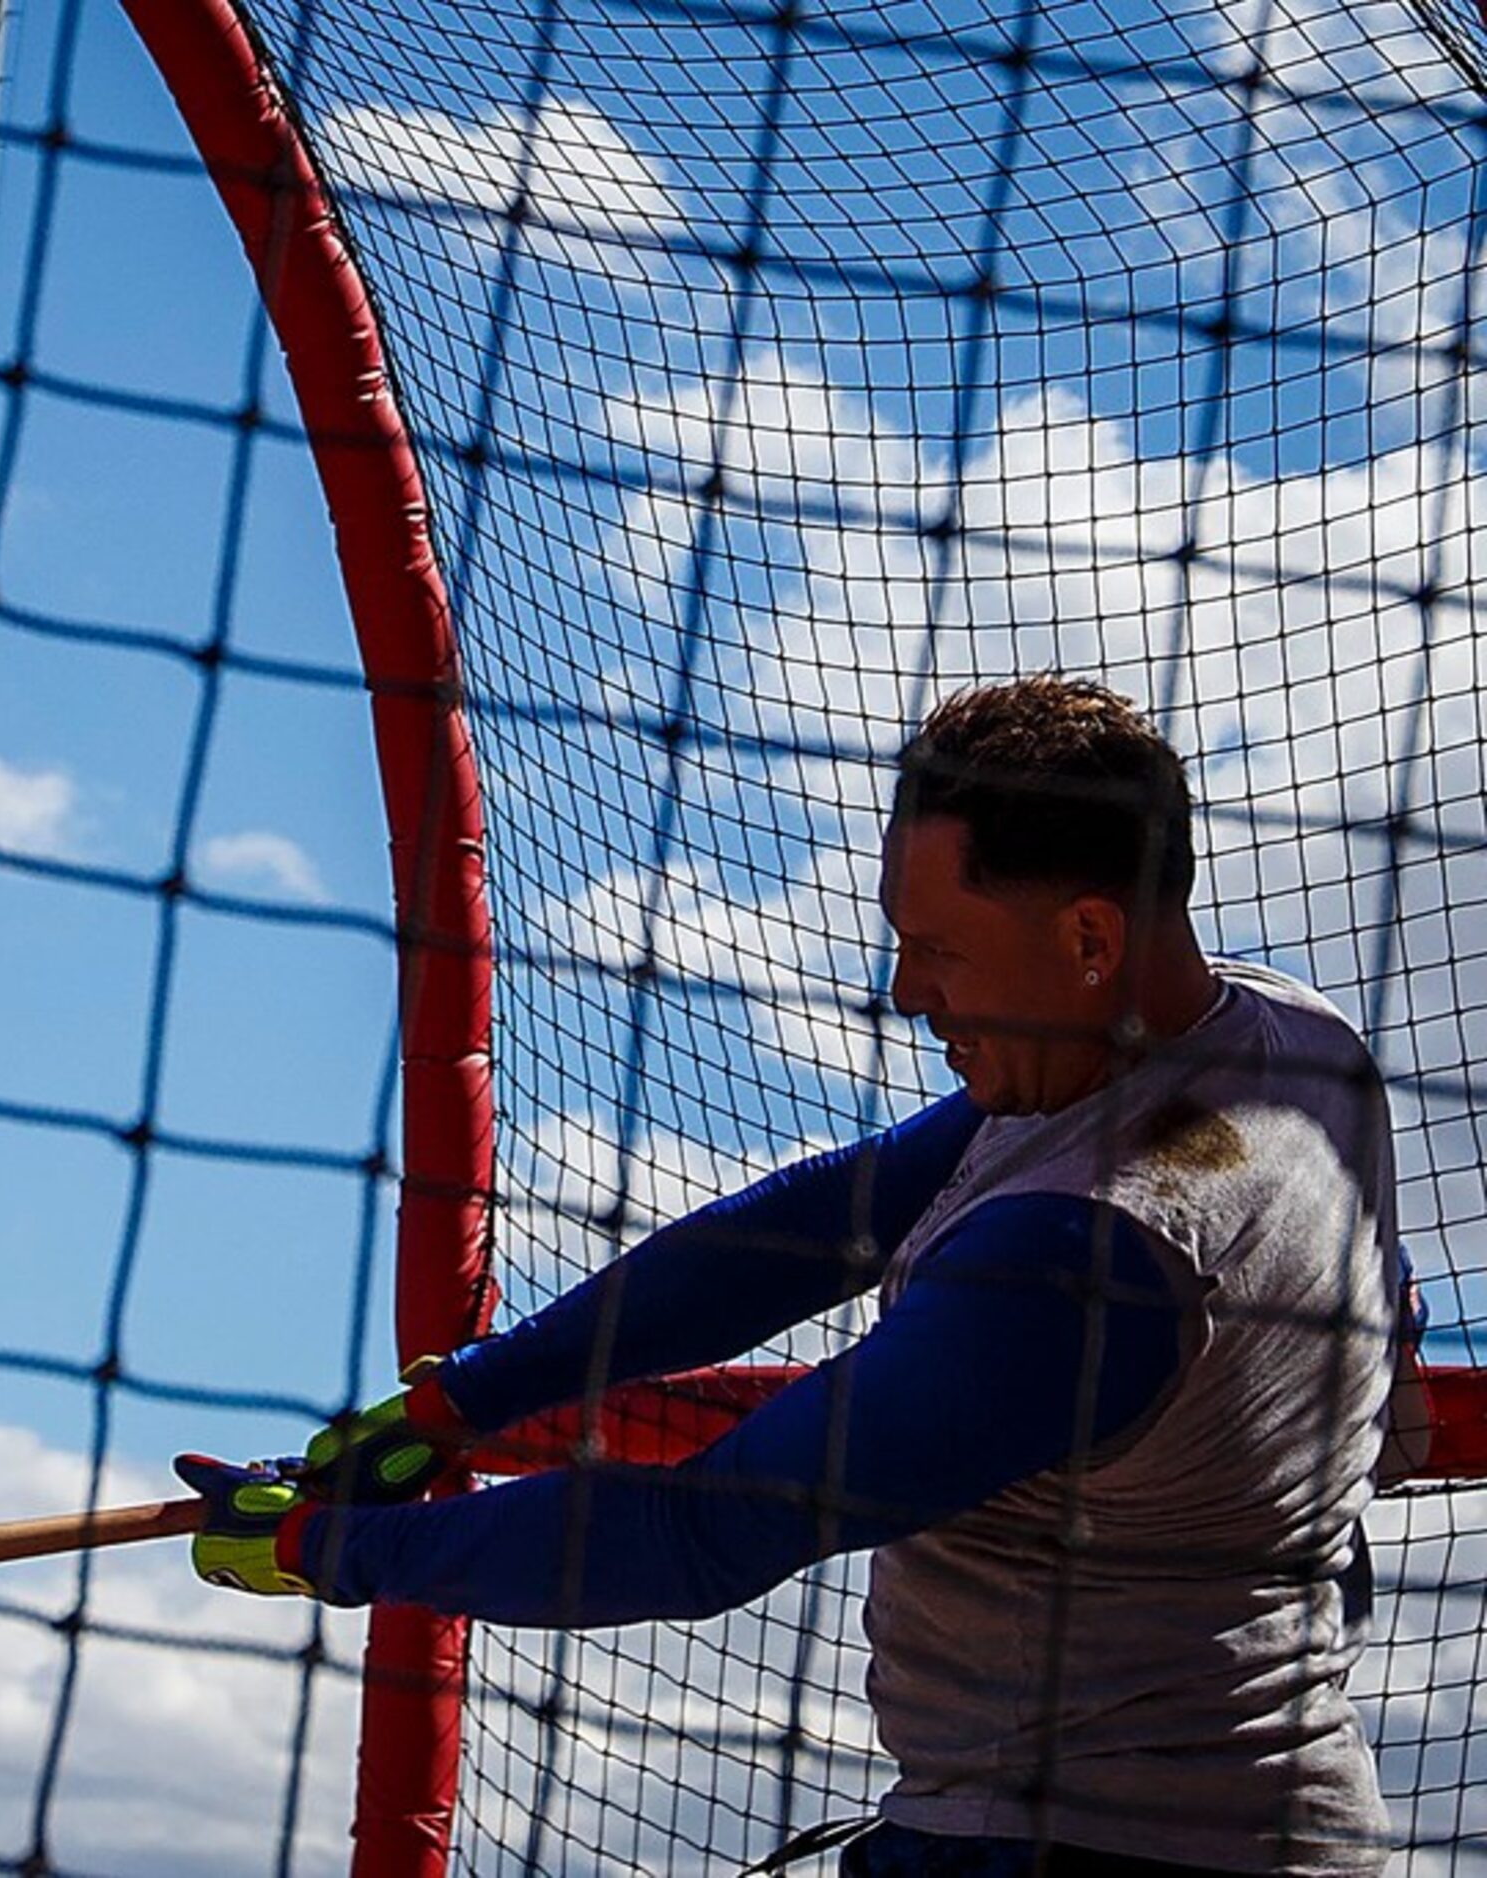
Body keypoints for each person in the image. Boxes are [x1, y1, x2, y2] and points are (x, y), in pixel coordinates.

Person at [179, 677, 1423, 1876]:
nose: (904, 992)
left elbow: (694, 1537)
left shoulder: (1080, 1254)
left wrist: (325, 1552)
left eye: (936, 948)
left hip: (1079, 1846)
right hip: (1267, 1823)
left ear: (1089, 936)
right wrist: (463, 1399)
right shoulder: (1282, 1043)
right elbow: (819, 1220)